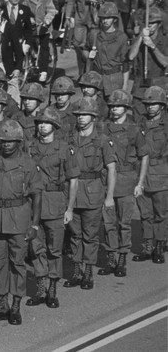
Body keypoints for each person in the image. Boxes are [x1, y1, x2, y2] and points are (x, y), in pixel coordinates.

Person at [0, 119, 43, 326]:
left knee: (18, 263)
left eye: (10, 141)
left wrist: (34, 225)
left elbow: (37, 195)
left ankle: (16, 305)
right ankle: (2, 305)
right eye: (3, 141)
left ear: (18, 142)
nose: (6, 145)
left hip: (19, 218)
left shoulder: (28, 163)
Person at [25, 107, 79, 308]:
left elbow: (73, 180)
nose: (42, 126)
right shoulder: (30, 147)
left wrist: (70, 208)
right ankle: (41, 287)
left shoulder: (64, 149)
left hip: (56, 203)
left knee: (54, 249)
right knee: (36, 248)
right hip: (34, 205)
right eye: (39, 122)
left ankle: (52, 289)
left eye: (46, 123)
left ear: (54, 126)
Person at [64, 98, 117, 290]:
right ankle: (77, 271)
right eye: (78, 115)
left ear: (93, 117)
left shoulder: (101, 140)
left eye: (84, 115)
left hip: (93, 192)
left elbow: (111, 168)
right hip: (72, 193)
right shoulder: (69, 139)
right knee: (74, 235)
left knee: (90, 236)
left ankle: (88, 272)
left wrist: (109, 197)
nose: (80, 118)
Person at [98, 90, 149, 276]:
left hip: (126, 179)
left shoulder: (134, 129)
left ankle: (122, 259)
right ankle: (111, 257)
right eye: (112, 106)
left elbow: (144, 156)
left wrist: (140, 183)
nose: (114, 109)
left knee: (124, 223)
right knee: (108, 222)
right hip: (105, 180)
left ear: (126, 108)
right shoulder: (103, 127)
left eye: (118, 106)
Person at [133, 86, 168, 264]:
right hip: (142, 173)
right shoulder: (139, 123)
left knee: (160, 213)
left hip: (161, 172)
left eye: (154, 104)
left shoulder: (166, 124)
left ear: (161, 105)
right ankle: (147, 247)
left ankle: (159, 247)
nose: (150, 107)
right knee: (145, 213)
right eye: (148, 104)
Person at [84, 2, 129, 99]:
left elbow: (125, 64)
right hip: (97, 79)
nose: (105, 21)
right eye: (103, 18)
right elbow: (84, 49)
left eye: (108, 18)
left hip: (114, 79)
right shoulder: (94, 35)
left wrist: (125, 86)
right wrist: (88, 55)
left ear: (114, 19)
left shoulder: (122, 37)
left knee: (113, 109)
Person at [22, 0, 58, 82]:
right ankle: (31, 59)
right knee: (29, 42)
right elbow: (24, 9)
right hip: (33, 26)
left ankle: (43, 71)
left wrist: (47, 20)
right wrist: (28, 17)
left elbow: (51, 10)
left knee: (44, 48)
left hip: (44, 27)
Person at [128, 6, 168, 90]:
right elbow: (131, 56)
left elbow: (165, 63)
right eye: (147, 23)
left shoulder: (165, 41)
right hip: (140, 84)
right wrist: (140, 37)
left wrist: (153, 46)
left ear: (159, 24)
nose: (149, 25)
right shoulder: (138, 39)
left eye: (152, 23)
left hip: (157, 84)